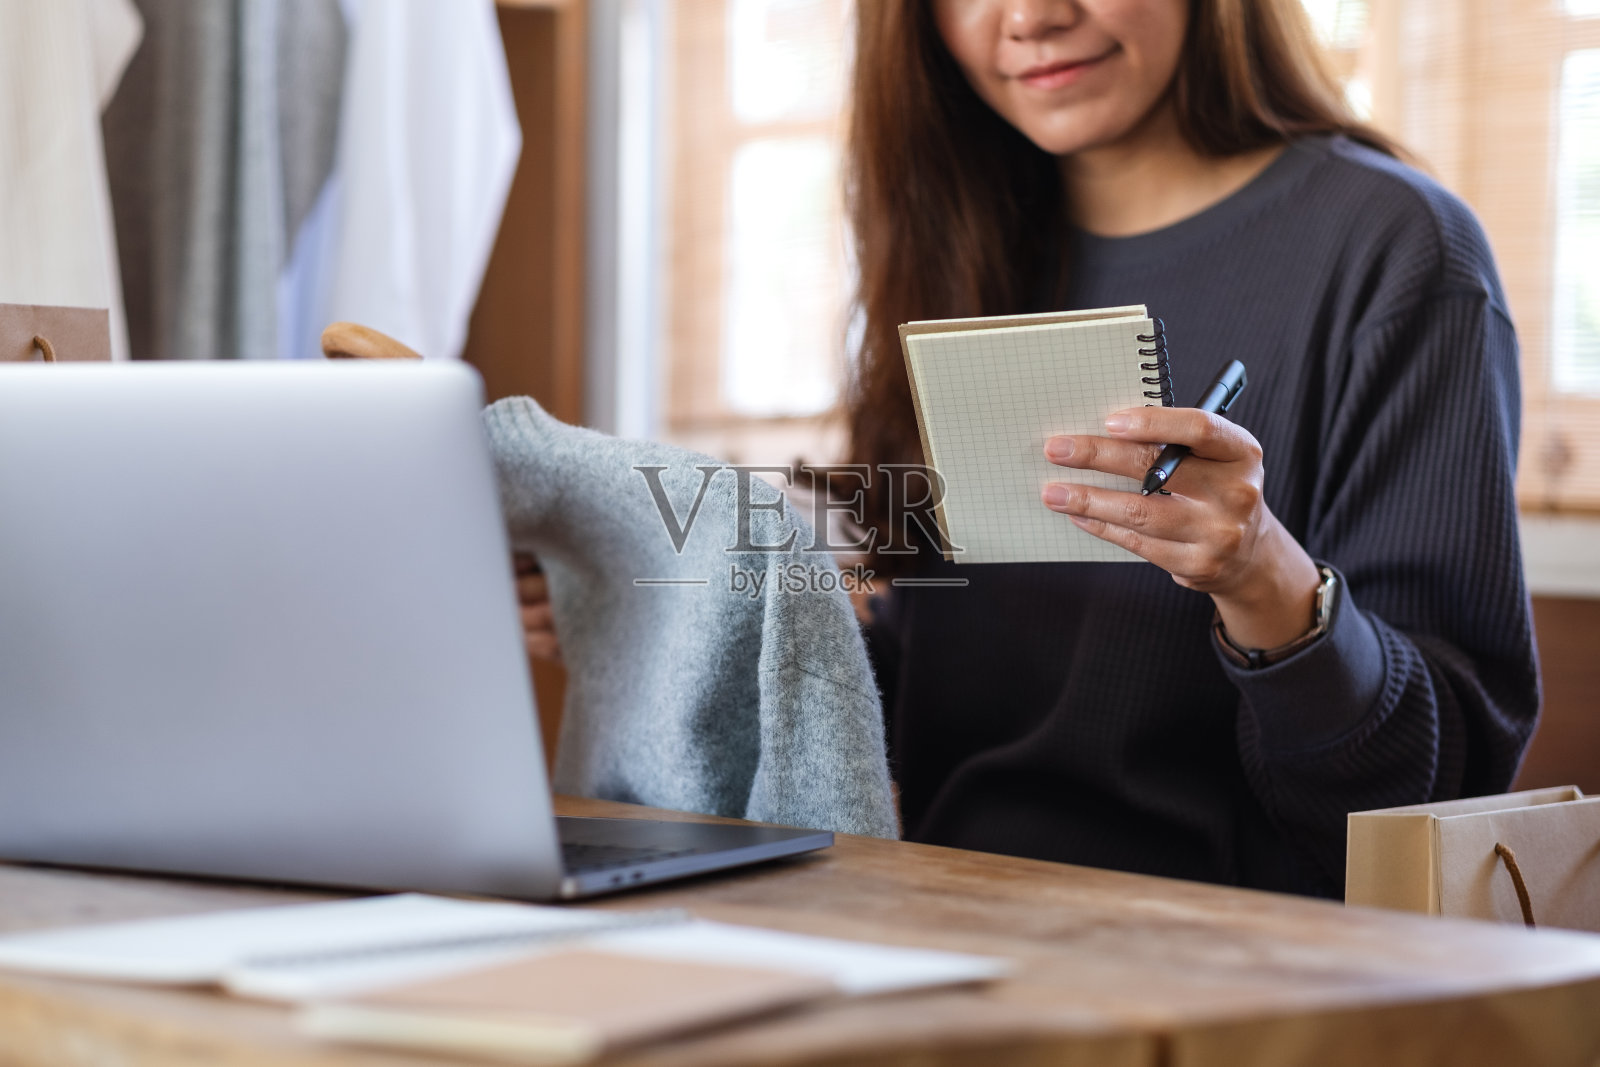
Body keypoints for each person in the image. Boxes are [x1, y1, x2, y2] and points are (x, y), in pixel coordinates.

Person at [525, 0, 1539, 899]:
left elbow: (1436, 791)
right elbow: (934, 676)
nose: (1029, 15)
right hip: (939, 901)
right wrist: (670, 609)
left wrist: (1267, 585)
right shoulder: (957, 231)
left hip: (1234, 945)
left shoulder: (1395, 250)